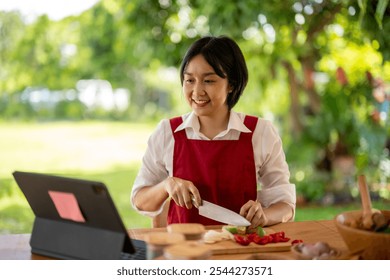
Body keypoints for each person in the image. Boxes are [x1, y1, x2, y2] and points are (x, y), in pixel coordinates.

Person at [131, 35, 296, 229]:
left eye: (208, 81)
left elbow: (285, 205)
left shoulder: (260, 133)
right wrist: (167, 185)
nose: (197, 91)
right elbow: (140, 200)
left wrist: (265, 216)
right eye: (189, 80)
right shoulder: (168, 132)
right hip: (184, 252)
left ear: (232, 84)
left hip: (240, 251)